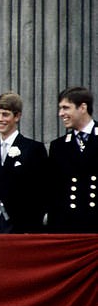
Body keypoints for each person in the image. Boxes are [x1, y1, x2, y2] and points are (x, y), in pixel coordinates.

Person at [0, 92, 48, 234]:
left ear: (17, 116)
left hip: (22, 226)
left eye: (5, 114)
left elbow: (42, 191)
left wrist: (34, 225)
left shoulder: (33, 149)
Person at [46, 86, 98, 233]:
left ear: (82, 107)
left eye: (65, 108)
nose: (61, 113)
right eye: (60, 108)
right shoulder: (58, 146)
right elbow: (53, 194)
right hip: (69, 229)